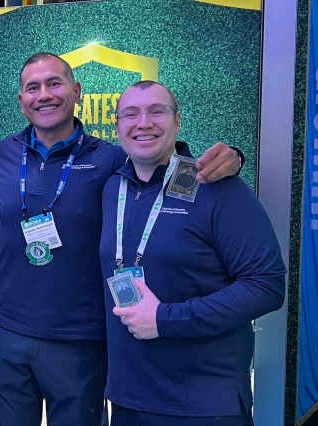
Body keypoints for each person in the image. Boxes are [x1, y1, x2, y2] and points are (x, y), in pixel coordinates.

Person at [0, 51, 244, 426]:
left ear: (77, 91)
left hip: (80, 338)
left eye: (55, 84)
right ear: (21, 100)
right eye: (32, 88)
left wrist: (231, 158)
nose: (44, 95)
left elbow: (162, 162)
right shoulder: (3, 155)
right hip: (7, 330)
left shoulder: (109, 158)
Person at [99, 81, 286, 425]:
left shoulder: (216, 186)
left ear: (178, 121)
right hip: (129, 401)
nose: (143, 123)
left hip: (203, 404)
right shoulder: (113, 187)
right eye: (131, 113)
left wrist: (165, 319)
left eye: (157, 111)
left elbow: (267, 285)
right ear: (117, 126)